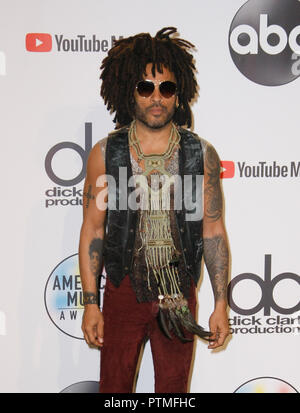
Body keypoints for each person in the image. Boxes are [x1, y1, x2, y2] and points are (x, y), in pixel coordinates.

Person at [79, 27, 230, 393]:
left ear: (179, 94)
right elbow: (93, 231)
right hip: (122, 289)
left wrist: (221, 302)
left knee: (174, 392)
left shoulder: (201, 154)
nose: (157, 97)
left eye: (167, 88)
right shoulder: (105, 154)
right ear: (129, 91)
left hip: (178, 292)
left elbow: (213, 231)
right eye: (146, 87)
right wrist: (90, 302)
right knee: (113, 390)